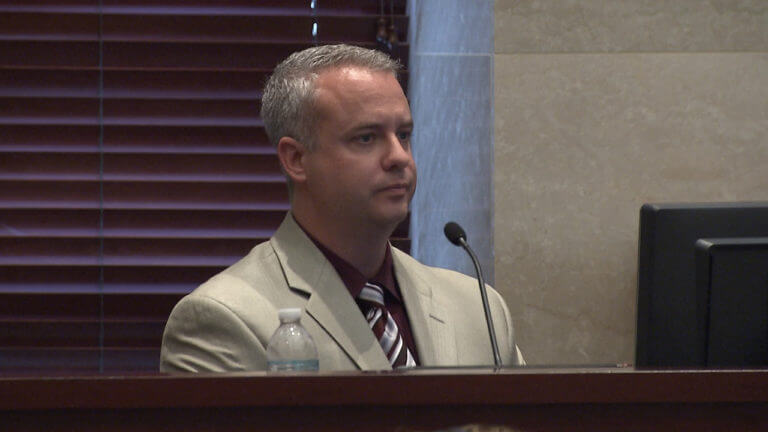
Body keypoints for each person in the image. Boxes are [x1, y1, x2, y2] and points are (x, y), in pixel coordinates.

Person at [160, 44, 524, 372]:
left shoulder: (479, 308)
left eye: (404, 135)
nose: (399, 157)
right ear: (296, 159)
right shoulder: (223, 318)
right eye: (366, 138)